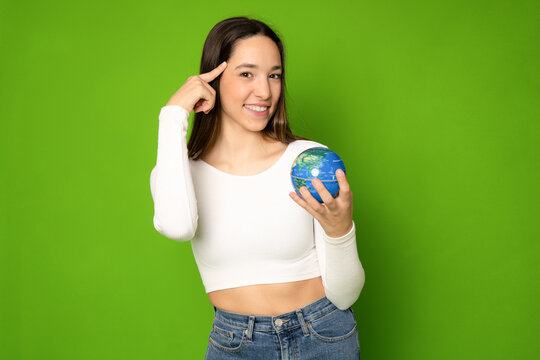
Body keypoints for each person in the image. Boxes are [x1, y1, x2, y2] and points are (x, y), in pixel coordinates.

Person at [150, 16, 365, 359]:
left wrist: (341, 231)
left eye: (274, 75)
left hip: (323, 336)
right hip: (236, 345)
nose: (265, 91)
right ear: (213, 80)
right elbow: (178, 227)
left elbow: (344, 295)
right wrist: (173, 113)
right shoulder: (178, 172)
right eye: (247, 73)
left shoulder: (308, 162)